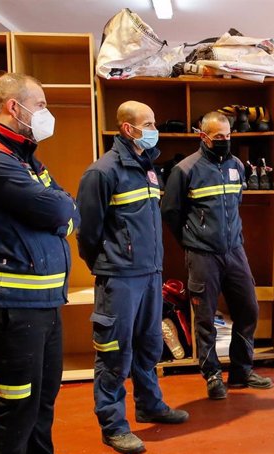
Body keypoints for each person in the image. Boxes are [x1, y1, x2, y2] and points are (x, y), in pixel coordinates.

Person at [0, 73, 79, 454]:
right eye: (40, 105)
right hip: (10, 306)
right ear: (15, 106)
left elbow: (65, 207)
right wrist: (60, 213)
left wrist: (60, 212)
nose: (46, 113)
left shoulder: (22, 155)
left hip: (43, 304)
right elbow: (60, 207)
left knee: (42, 404)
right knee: (17, 409)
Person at [77, 100, 189, 454]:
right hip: (120, 278)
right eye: (150, 123)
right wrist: (109, 263)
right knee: (114, 354)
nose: (155, 129)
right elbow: (87, 232)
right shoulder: (102, 172)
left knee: (149, 345)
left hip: (150, 274)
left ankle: (150, 404)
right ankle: (113, 426)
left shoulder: (148, 169)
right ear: (128, 128)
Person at [161, 111, 273, 400]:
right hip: (202, 255)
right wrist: (192, 240)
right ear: (203, 136)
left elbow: (236, 204)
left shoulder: (237, 165)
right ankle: (211, 375)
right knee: (205, 318)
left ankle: (240, 371)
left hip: (235, 251)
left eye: (228, 136)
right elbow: (171, 213)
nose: (224, 141)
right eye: (218, 137)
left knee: (249, 309)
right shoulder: (185, 170)